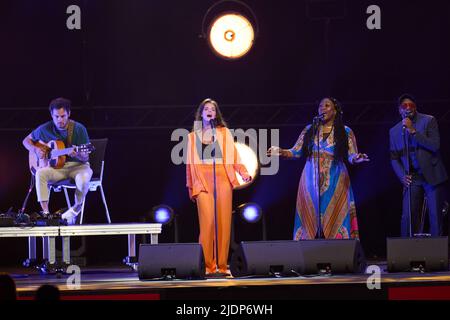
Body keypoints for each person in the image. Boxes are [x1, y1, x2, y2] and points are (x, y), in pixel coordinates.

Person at [268, 97, 369, 240]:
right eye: (320, 106)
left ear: (335, 111)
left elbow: (351, 154)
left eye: (327, 106)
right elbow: (295, 151)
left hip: (335, 178)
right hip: (310, 178)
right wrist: (281, 151)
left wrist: (357, 158)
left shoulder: (345, 131)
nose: (322, 108)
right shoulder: (309, 129)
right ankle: (307, 253)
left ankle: (339, 254)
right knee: (310, 215)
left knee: (335, 213)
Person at [186, 98, 252, 275]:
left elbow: (234, 156)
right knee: (207, 223)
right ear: (201, 113)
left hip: (222, 178)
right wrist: (191, 186)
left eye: (213, 109)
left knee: (223, 223)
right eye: (206, 109)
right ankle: (207, 266)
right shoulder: (192, 137)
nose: (209, 111)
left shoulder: (223, 133)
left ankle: (222, 266)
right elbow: (189, 165)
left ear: (216, 114)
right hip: (202, 181)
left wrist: (243, 172)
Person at [22, 97, 92, 225]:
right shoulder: (45, 128)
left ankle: (75, 210)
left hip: (79, 166)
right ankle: (46, 214)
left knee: (83, 179)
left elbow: (86, 157)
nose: (60, 120)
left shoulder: (78, 129)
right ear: (52, 115)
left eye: (63, 116)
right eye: (56, 117)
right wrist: (36, 150)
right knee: (40, 174)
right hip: (58, 169)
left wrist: (79, 154)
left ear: (69, 113)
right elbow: (26, 141)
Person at [389, 94, 448, 236]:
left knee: (434, 216)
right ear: (399, 110)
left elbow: (434, 145)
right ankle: (407, 251)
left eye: (411, 105)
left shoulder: (428, 121)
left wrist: (413, 131)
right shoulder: (394, 131)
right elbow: (394, 157)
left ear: (415, 108)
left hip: (431, 175)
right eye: (404, 106)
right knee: (408, 216)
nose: (408, 108)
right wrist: (402, 175)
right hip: (412, 177)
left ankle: (436, 253)